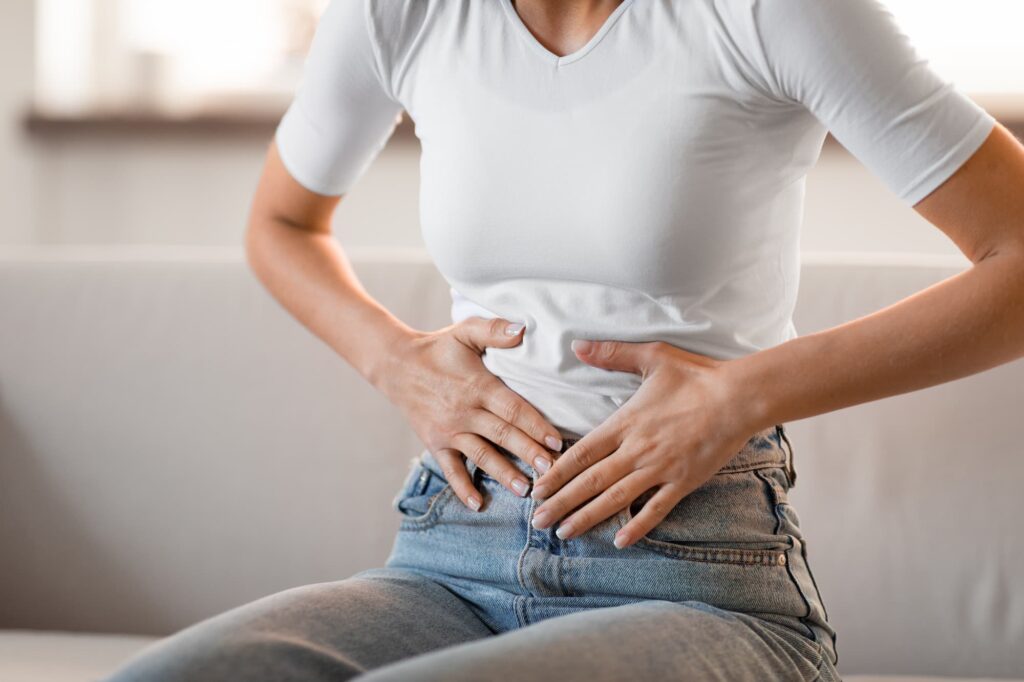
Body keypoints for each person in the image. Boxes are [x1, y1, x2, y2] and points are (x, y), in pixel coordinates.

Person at [104, 0, 1024, 679]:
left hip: (694, 573)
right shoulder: (404, 13)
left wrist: (745, 393)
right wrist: (395, 359)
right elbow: (281, 224)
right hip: (451, 555)